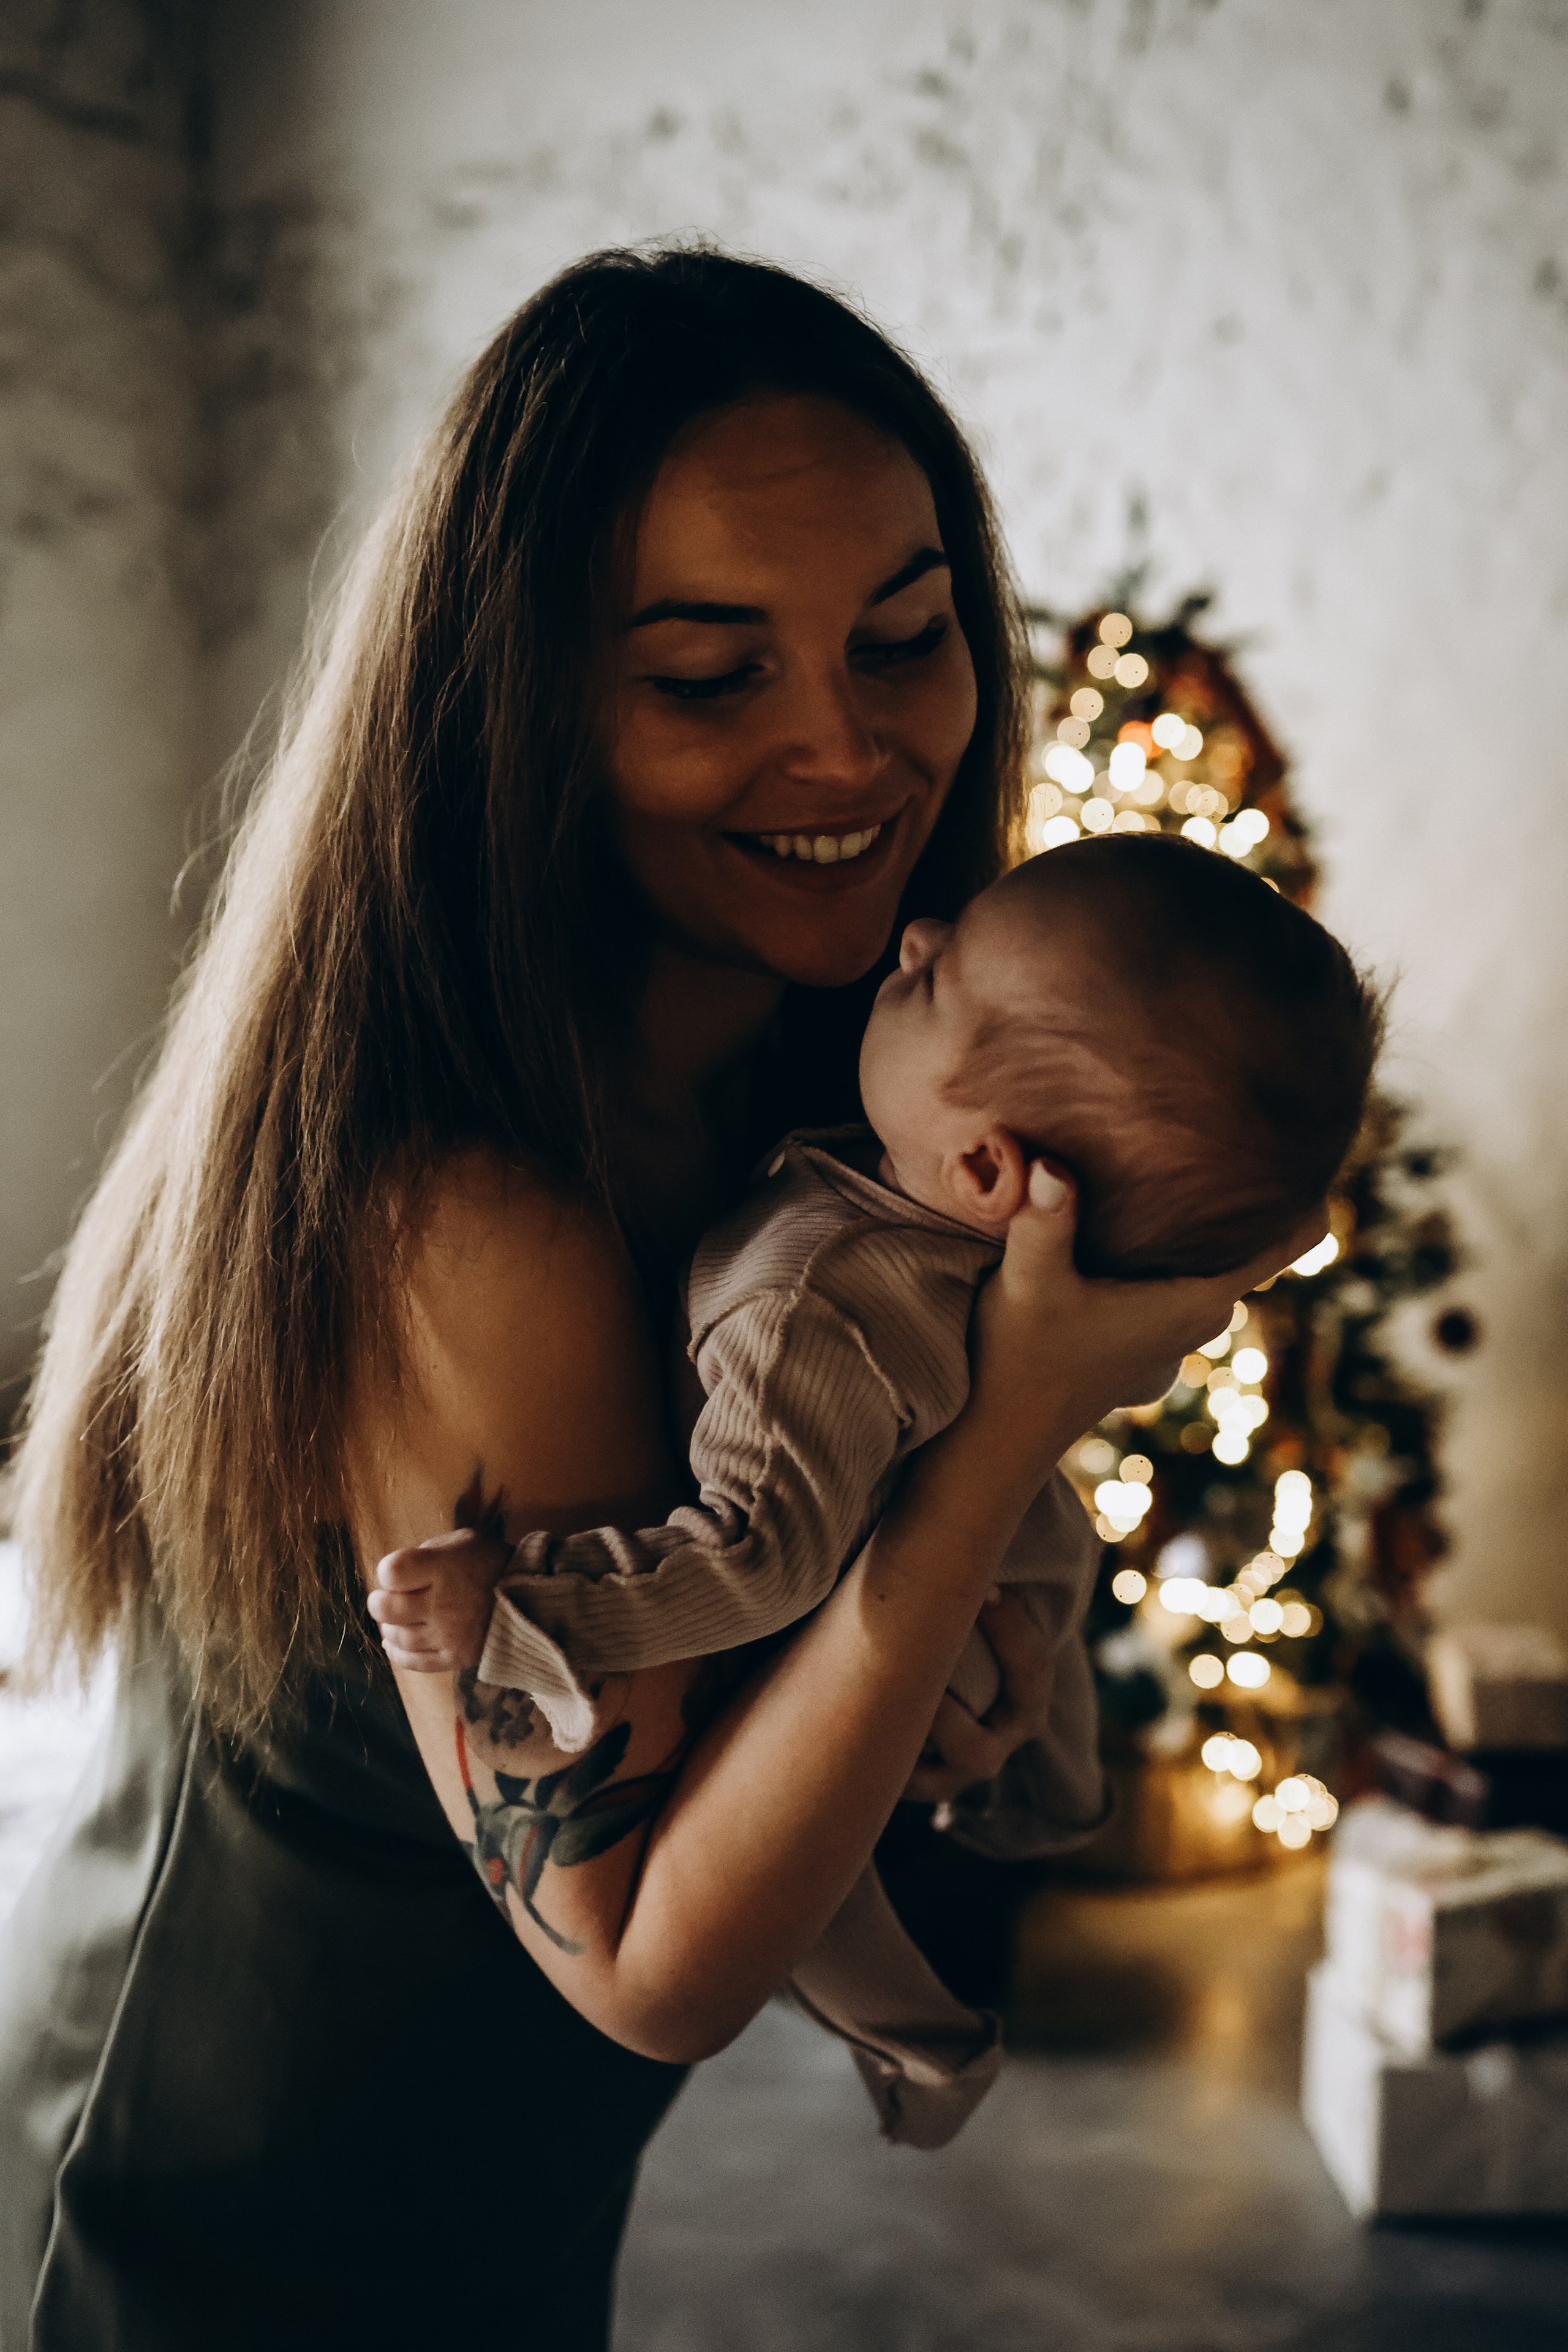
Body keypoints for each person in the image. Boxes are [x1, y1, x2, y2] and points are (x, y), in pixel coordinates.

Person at [0, 248, 1321, 2350]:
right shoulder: (473, 1215)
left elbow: (772, 1708)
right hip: (208, 2260)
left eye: (907, 639)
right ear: (520, 712)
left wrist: (924, 1694)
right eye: (711, 678)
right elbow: (648, 1962)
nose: (850, 751)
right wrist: (1008, 1432)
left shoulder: (820, 1118)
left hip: (503, 2238)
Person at [369, 833, 1377, 2145]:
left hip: (878, 1605)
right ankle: (1051, 1794)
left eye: (934, 981)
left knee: (813, 1898)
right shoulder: (919, 1216)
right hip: (997, 1563)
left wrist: (518, 1609)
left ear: (983, 1170)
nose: (911, 938)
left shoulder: (811, 1307)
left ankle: (922, 2039)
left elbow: (754, 1563)